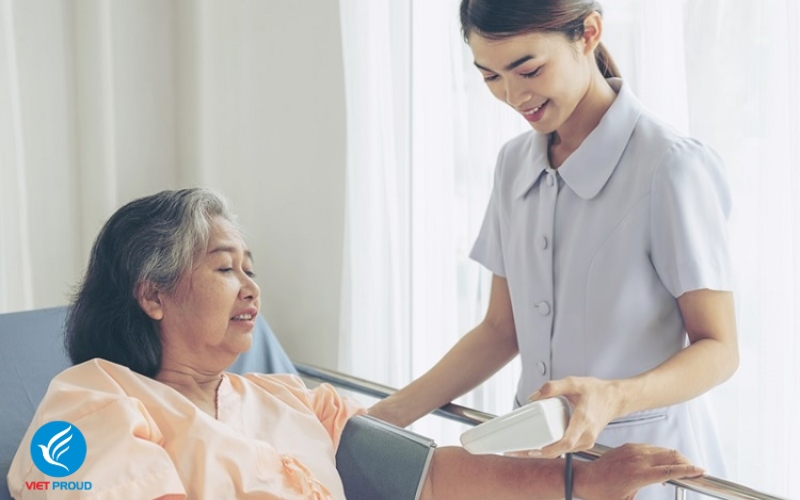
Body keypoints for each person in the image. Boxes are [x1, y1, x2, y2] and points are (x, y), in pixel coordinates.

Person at [7, 188, 702, 499]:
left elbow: (428, 477)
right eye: (223, 268)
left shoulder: (287, 399)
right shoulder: (93, 397)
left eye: (252, 269)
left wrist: (583, 482)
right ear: (151, 293)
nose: (250, 286)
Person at [368, 1, 738, 499]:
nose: (514, 95)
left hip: (637, 467)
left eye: (529, 69)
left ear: (588, 34)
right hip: (534, 473)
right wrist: (375, 423)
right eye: (491, 77)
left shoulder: (669, 166)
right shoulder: (513, 164)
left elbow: (720, 348)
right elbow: (502, 330)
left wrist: (614, 396)